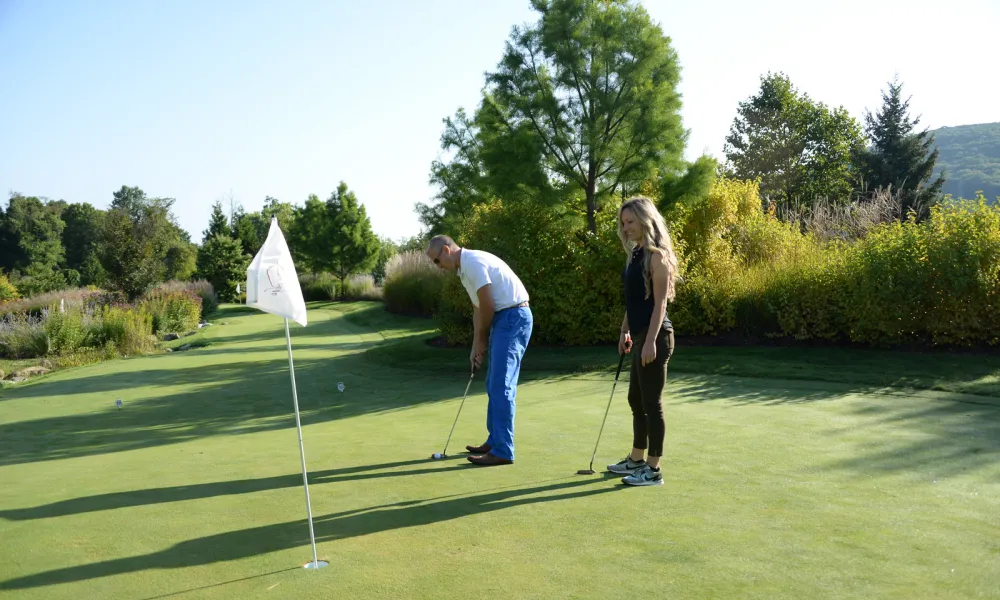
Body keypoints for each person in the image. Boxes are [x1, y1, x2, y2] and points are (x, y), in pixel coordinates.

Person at [426, 235, 533, 466]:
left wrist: (483, 339)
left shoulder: (472, 263)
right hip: (505, 319)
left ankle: (503, 450)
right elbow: (478, 309)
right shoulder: (463, 270)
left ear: (446, 250)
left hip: (513, 317)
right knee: (493, 384)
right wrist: (476, 345)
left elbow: (488, 305)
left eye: (436, 261)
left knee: (501, 384)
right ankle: (495, 441)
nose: (438, 267)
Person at [606, 196, 678, 486]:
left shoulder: (657, 256)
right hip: (639, 335)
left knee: (651, 402)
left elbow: (660, 304)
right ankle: (636, 459)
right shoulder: (635, 254)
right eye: (623, 224)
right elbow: (633, 301)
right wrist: (625, 331)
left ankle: (653, 469)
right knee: (635, 399)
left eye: (630, 222)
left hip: (657, 337)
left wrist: (649, 341)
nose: (625, 228)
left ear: (645, 219)